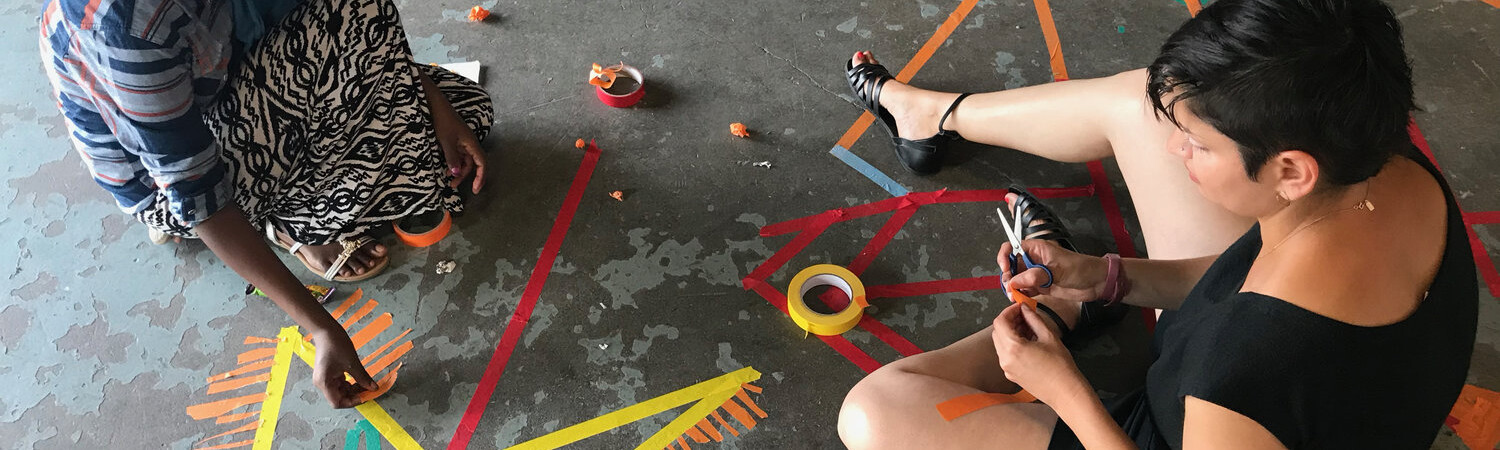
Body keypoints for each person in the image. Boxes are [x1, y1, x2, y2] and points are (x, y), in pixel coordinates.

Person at [837, 0, 1477, 448]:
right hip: (1295, 402)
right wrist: (1104, 277)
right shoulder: (1379, 160)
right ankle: (929, 115)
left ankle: (1062, 320)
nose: (1175, 151)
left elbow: (1254, 332)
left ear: (1291, 171)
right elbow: (1243, 281)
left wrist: (1062, 389)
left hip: (1180, 432)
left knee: (873, 414)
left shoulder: (1237, 374)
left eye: (1196, 146)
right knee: (1148, 103)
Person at [39, 0, 493, 407]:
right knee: (353, 30)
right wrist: (320, 327)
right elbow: (198, 196)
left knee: (462, 106)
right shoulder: (128, 33)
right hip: (171, 182)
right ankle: (285, 224)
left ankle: (315, 189)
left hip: (223, 77)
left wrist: (434, 104)